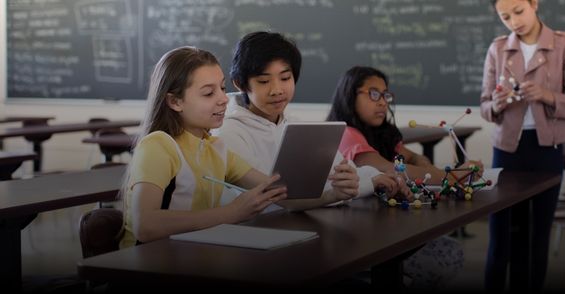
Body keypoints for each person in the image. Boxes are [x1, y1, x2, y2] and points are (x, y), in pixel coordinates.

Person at [119, 46, 358, 248]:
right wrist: (230, 213)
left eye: (222, 88)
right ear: (175, 101)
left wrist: (333, 195)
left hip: (193, 256)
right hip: (149, 267)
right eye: (208, 93)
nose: (223, 99)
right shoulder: (159, 145)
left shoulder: (216, 148)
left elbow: (281, 196)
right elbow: (145, 226)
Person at [326, 65, 483, 288]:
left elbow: (412, 159)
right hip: (356, 237)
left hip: (383, 227)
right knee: (445, 257)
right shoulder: (346, 133)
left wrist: (423, 164)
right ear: (350, 95)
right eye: (373, 94)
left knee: (449, 251)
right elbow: (390, 168)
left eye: (385, 95)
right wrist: (454, 176)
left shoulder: (382, 132)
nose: (382, 102)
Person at [216, 31, 406, 208]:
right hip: (256, 232)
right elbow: (276, 197)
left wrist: (376, 177)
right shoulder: (228, 131)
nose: (277, 90)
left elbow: (340, 171)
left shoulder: (297, 125)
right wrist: (347, 191)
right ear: (240, 84)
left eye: (285, 78)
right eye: (264, 81)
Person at [479, 0, 565, 291]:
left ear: (534, 4)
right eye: (505, 17)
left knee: (538, 236)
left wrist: (546, 95)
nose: (514, 21)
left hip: (547, 149)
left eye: (519, 12)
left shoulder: (563, 44)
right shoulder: (497, 48)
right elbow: (484, 105)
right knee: (500, 236)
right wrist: (497, 104)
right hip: (506, 150)